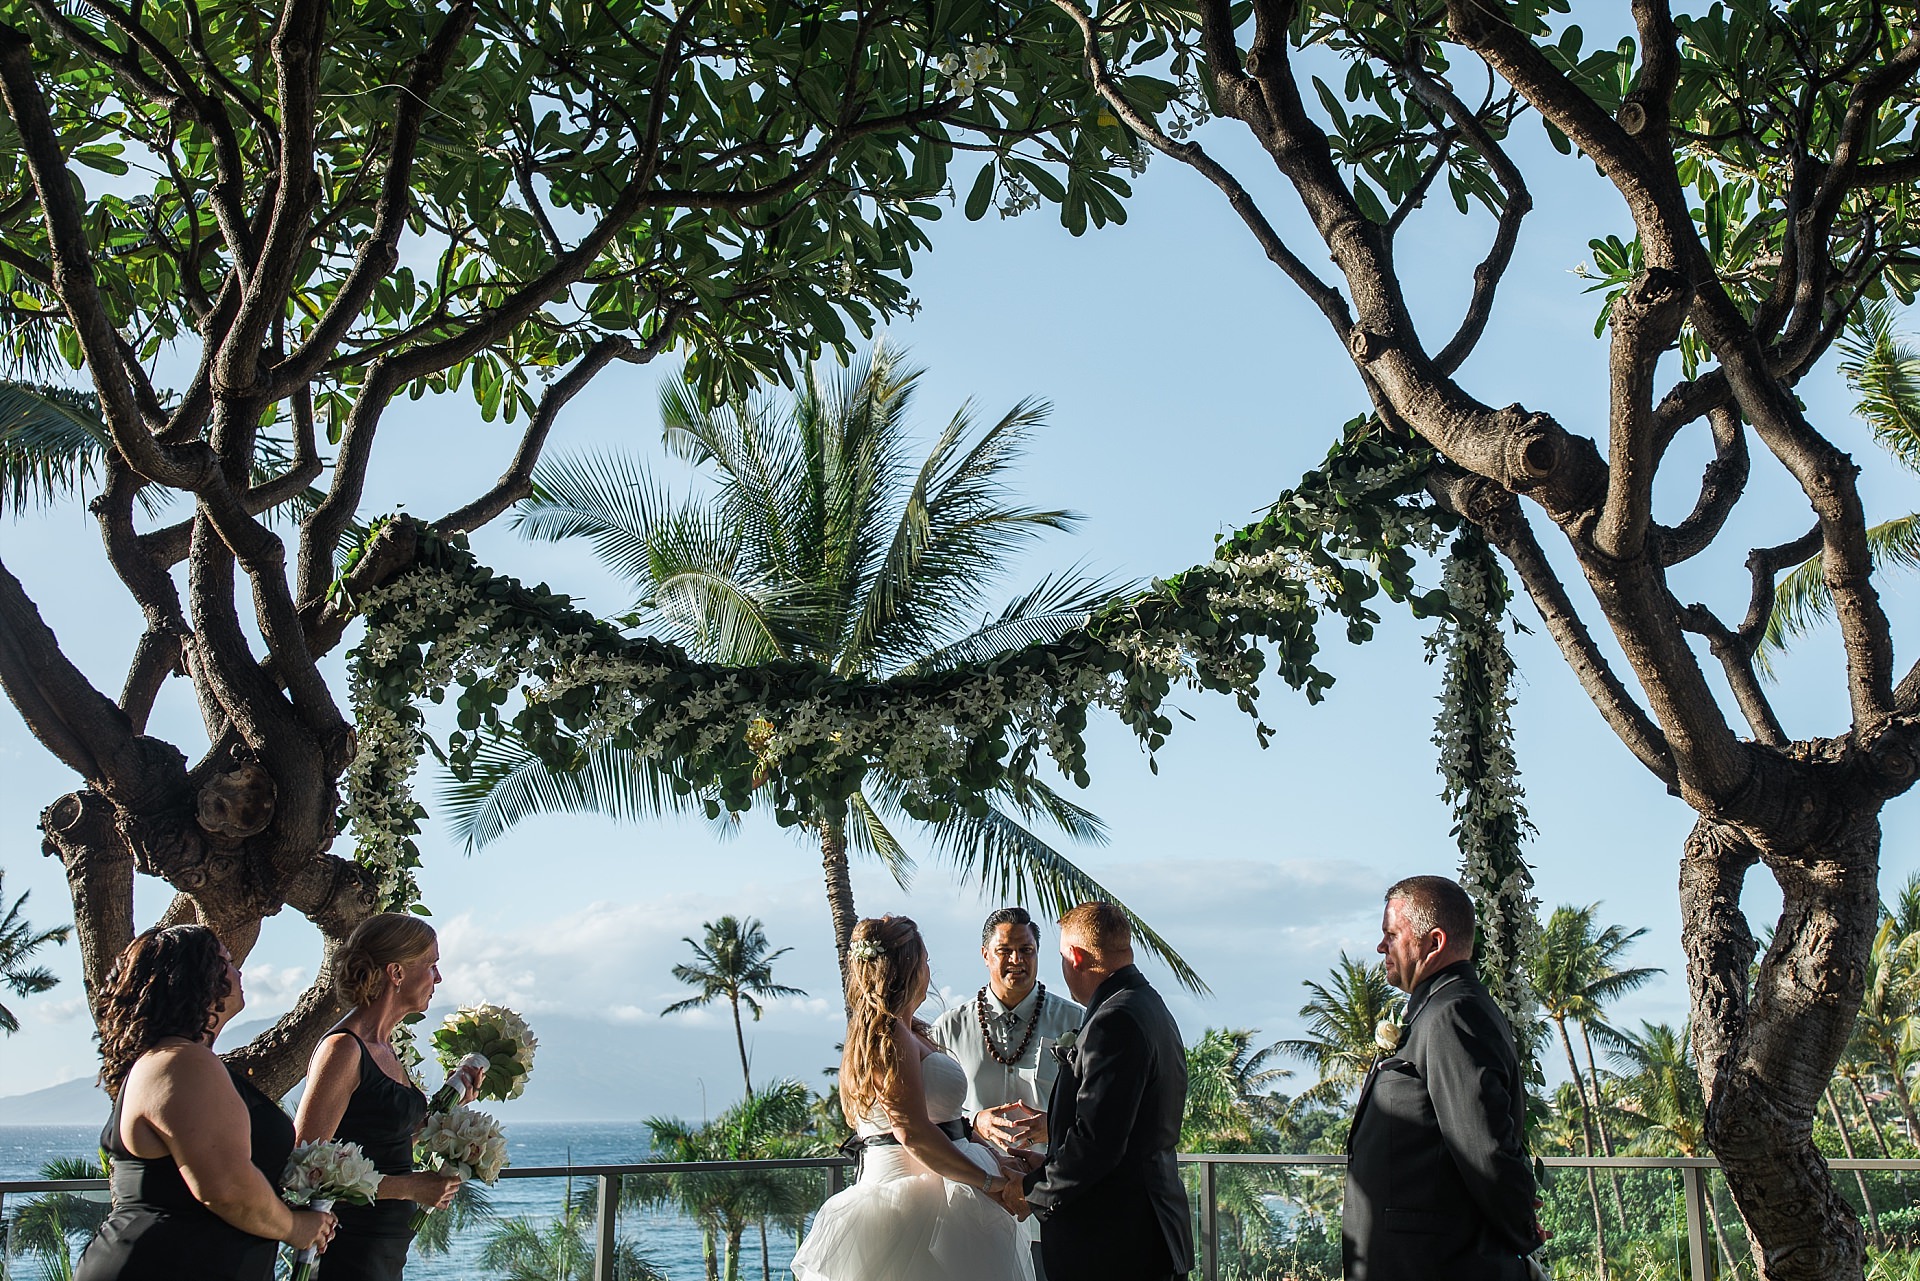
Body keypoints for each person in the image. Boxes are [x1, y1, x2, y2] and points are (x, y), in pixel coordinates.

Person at [75, 925, 336, 1281]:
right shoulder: (180, 1062)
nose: (238, 971)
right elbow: (227, 1189)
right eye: (225, 962)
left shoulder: (180, 1060)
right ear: (194, 979)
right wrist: (293, 1227)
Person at [790, 915, 1033, 1281]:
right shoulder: (890, 1035)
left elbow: (941, 1123)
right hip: (914, 1206)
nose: (929, 970)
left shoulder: (910, 1031)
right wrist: (987, 1181)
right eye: (924, 960)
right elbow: (912, 1131)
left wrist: (995, 1161)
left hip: (941, 1195)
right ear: (909, 967)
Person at [1343, 875, 1539, 1281]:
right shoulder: (1434, 1009)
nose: (1382, 946)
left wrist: (1521, 1230)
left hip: (1436, 1263)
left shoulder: (1453, 1013)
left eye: (1392, 934)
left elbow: (1482, 1147)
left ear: (1434, 943)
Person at [1006, 902, 1193, 1281]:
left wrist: (1030, 1190)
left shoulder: (1113, 1021)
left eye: (1060, 956)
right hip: (1147, 1228)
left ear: (1075, 957)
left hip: (1117, 1244)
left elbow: (1099, 1143)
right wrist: (1054, 1141)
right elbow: (1129, 1124)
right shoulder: (1150, 1005)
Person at [294, 914, 480, 1281]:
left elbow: (382, 1140)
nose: (438, 978)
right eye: (431, 965)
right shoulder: (343, 1050)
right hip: (348, 1248)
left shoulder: (384, 1049)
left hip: (385, 1248)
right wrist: (409, 1186)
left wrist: (453, 1100)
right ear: (396, 972)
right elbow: (305, 1163)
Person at [929, 906, 1084, 1280]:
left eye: (1026, 950)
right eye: (1005, 950)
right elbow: (929, 1116)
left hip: (1052, 1200)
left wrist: (1056, 1125)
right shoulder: (948, 1029)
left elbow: (1096, 1110)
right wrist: (973, 1122)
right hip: (972, 1205)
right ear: (985, 955)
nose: (1017, 960)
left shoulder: (1077, 1023)